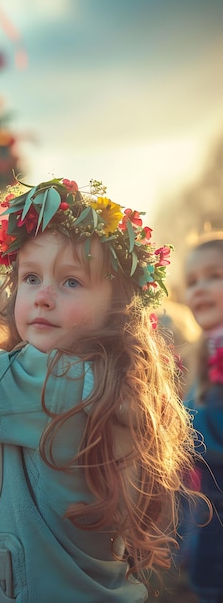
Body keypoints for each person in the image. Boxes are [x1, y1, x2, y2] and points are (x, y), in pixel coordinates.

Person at [0, 176, 207, 603]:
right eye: (30, 277)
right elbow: (30, 310)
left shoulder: (60, 382)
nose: (43, 297)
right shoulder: (98, 373)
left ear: (115, 309)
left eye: (71, 282)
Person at [183, 235, 223, 603]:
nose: (200, 288)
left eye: (213, 276)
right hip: (208, 507)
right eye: (192, 282)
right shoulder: (203, 351)